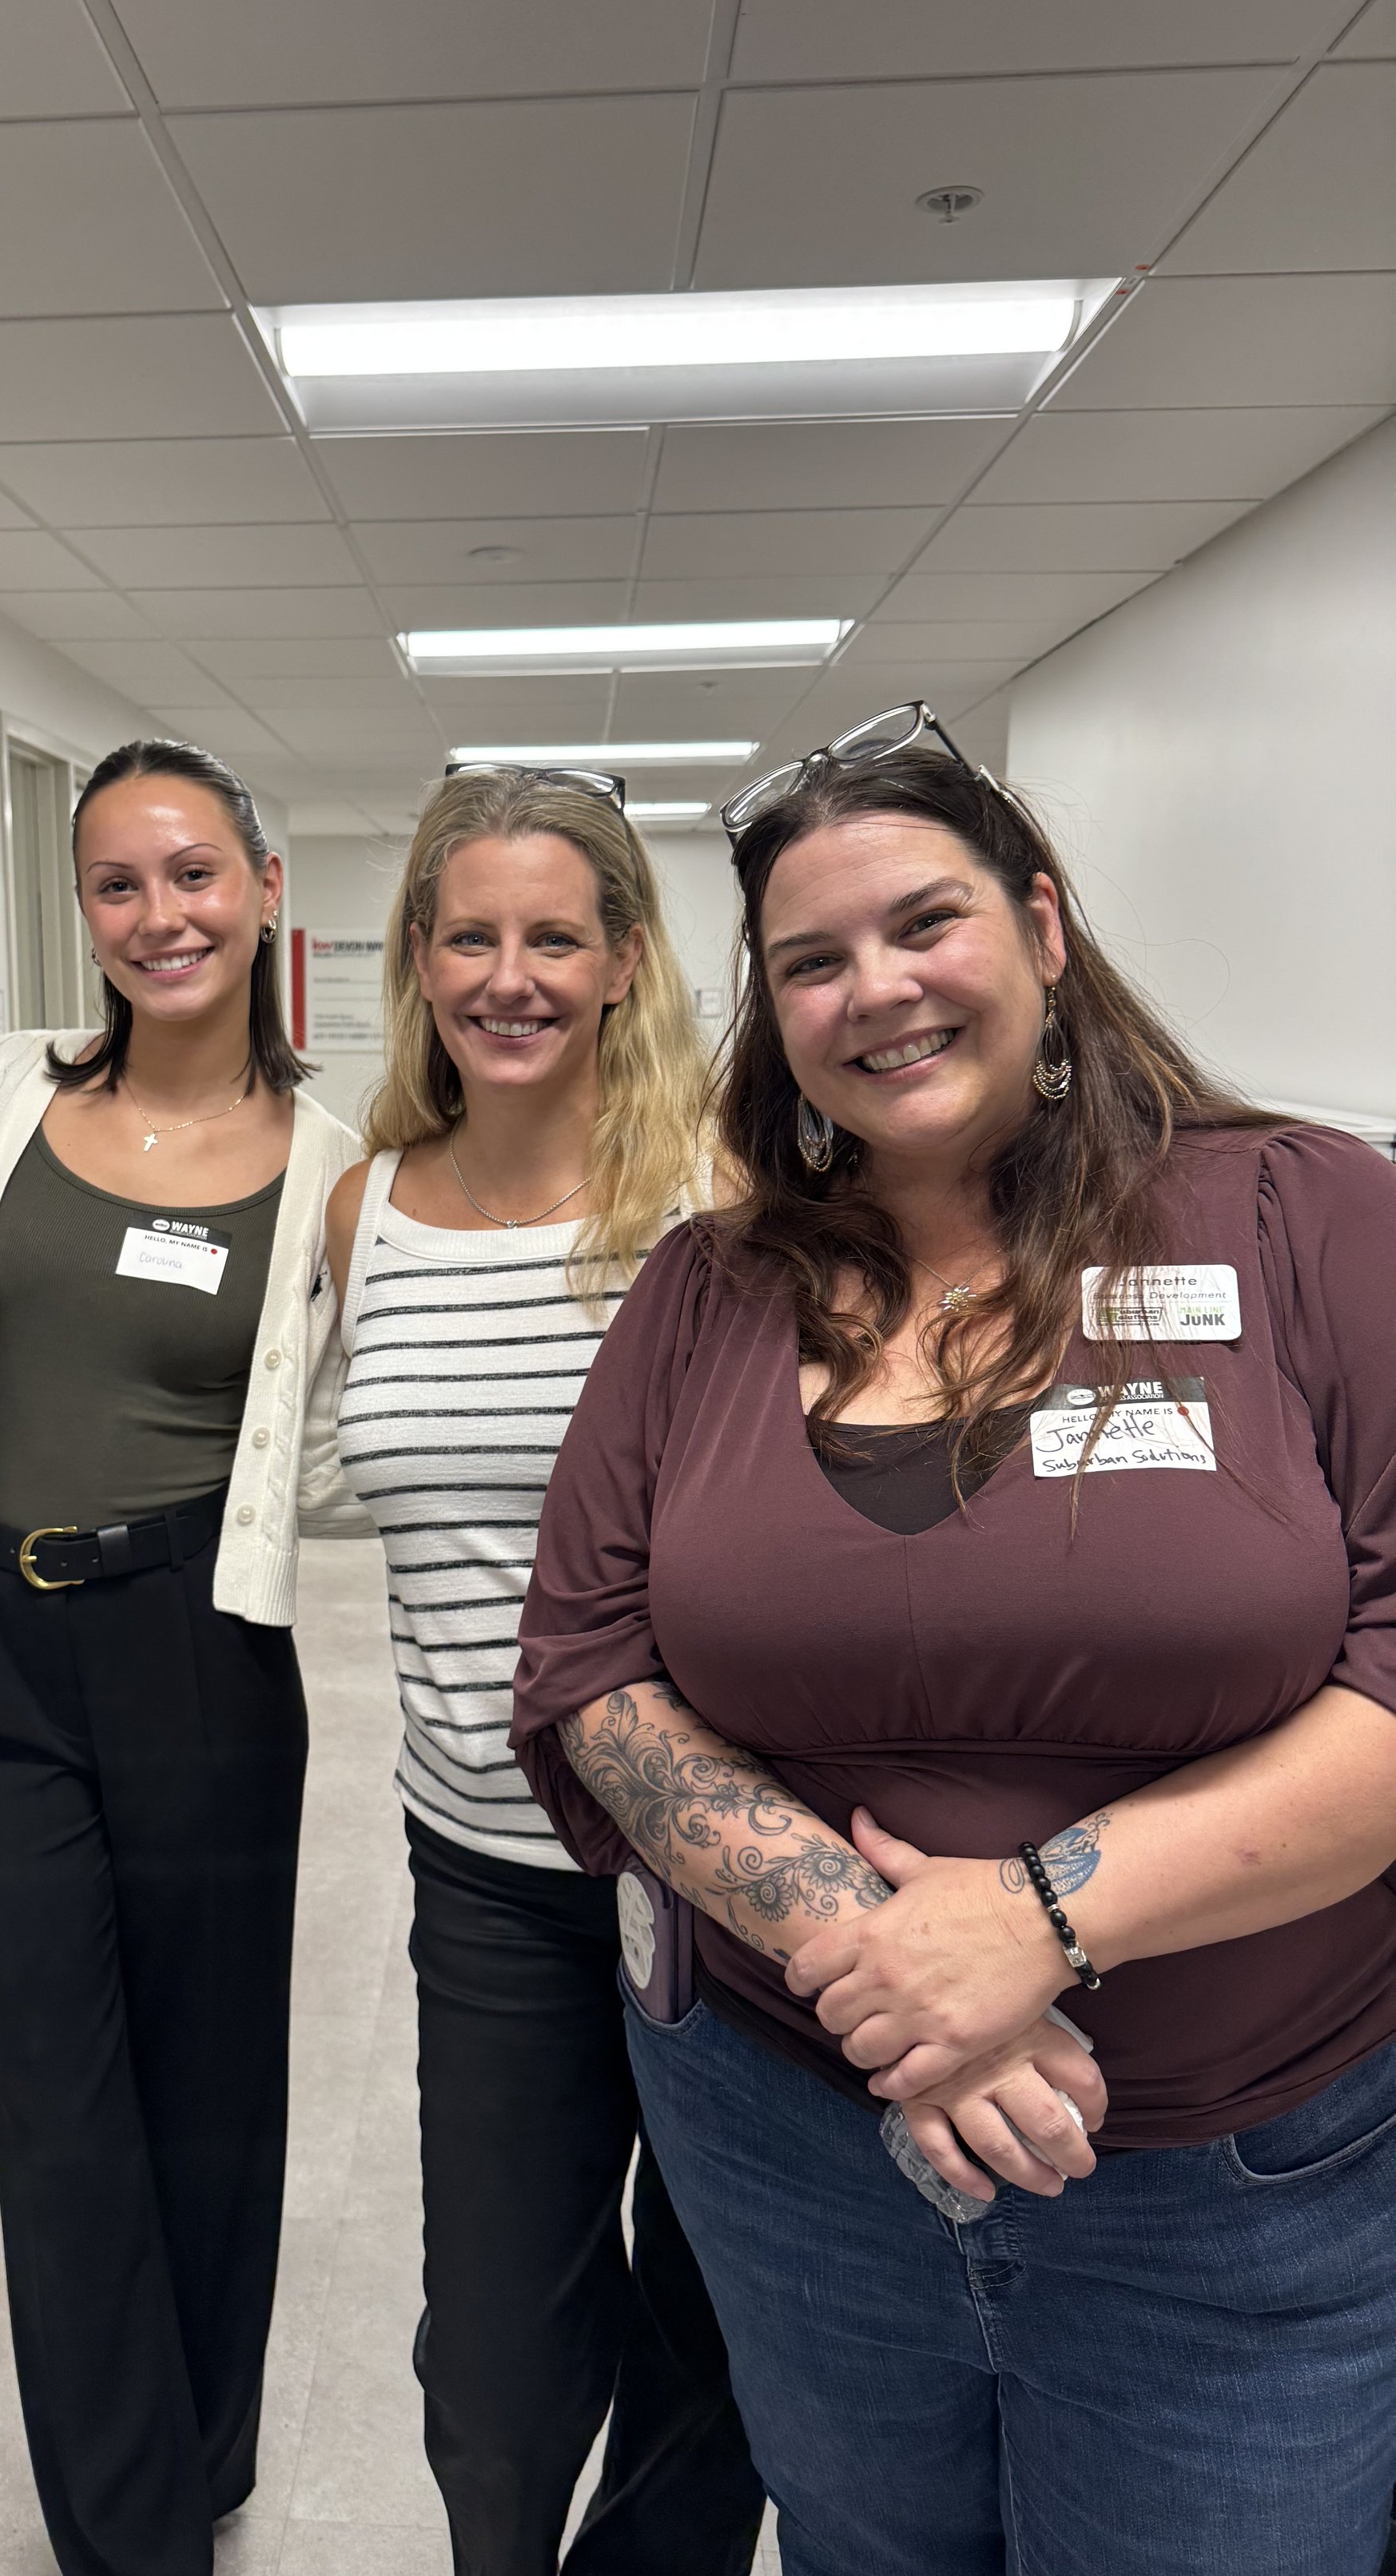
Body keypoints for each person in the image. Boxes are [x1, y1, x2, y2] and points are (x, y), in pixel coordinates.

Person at [511, 702, 1396, 2576]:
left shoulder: (1303, 1215)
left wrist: (1036, 1920)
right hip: (791, 2141)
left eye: (924, 922)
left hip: (1227, 2174)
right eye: (810, 960)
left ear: (1042, 927)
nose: (877, 990)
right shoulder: (707, 1289)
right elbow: (588, 1662)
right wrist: (882, 1954)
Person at [0, 737, 362, 2576]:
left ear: (260, 888)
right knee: (60, 2104)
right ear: (81, 907)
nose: (158, 913)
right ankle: (133, 2534)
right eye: (117, 881)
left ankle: (204, 2440)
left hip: (199, 1641)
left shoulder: (336, 1162)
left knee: (210, 2087)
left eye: (191, 873)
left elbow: (340, 1433)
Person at [326, 766, 766, 2576]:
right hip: (486, 1869)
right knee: (497, 2356)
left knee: (716, 2329)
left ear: (622, 959)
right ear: (419, 959)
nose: (508, 977)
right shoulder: (361, 1210)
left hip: (718, 1867)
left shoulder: (722, 1201)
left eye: (553, 938)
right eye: (469, 937)